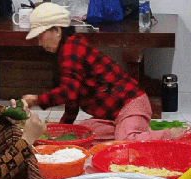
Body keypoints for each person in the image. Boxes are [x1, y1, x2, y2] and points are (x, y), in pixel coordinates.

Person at [21, 3, 177, 142]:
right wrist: (64, 128)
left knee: (127, 141)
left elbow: (67, 92)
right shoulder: (67, 48)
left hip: (130, 105)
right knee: (84, 132)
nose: (40, 43)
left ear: (56, 30)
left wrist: (37, 100)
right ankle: (131, 129)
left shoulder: (72, 48)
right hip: (113, 116)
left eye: (41, 36)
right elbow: (73, 98)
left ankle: (173, 134)